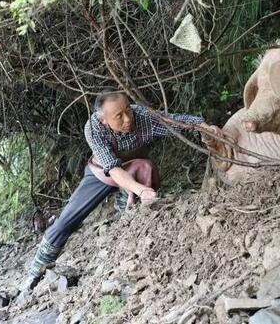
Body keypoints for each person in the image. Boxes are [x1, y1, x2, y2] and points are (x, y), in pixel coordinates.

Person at [20, 89, 217, 290]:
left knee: (145, 167)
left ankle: (131, 237)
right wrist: (141, 190)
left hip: (134, 169)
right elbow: (113, 169)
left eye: (128, 110)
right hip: (102, 174)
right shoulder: (94, 127)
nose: (127, 119)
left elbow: (174, 121)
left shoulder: (141, 117)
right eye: (119, 116)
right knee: (64, 223)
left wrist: (204, 127)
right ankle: (33, 276)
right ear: (104, 120)